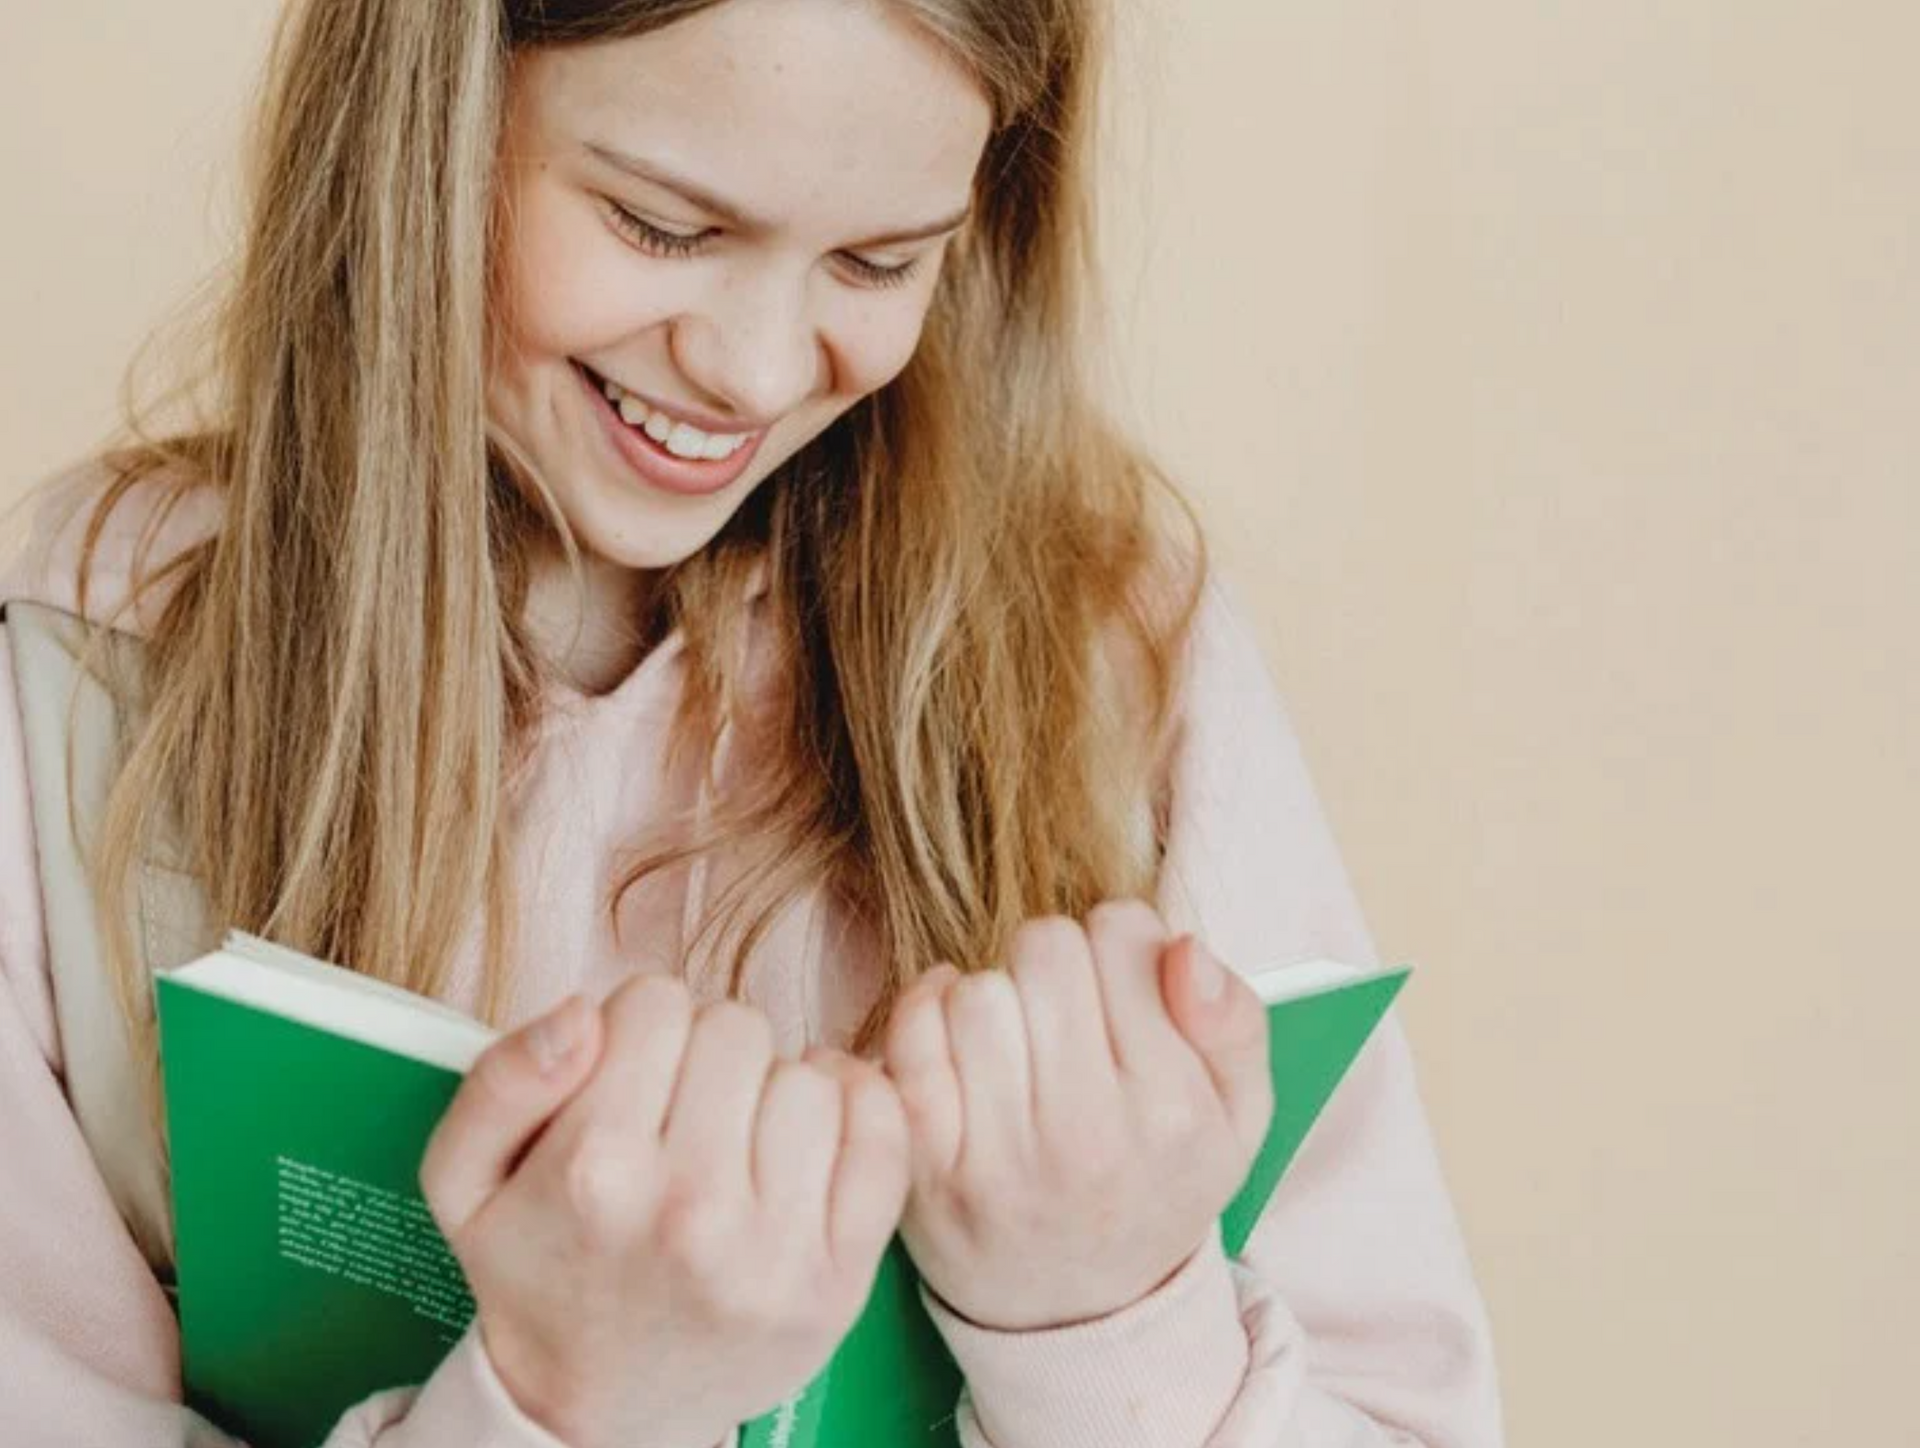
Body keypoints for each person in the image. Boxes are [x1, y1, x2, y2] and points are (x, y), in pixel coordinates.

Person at [0, 0, 1504, 1444]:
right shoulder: (91, 658)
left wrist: (1113, 1332)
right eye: (664, 226)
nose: (760, 368)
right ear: (431, 120)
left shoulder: (1113, 649)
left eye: (878, 262)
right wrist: (561, 1406)